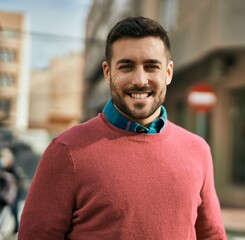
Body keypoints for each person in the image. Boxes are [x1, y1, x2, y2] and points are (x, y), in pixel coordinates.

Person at [18, 16, 227, 239]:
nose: (140, 79)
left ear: (168, 73)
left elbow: (211, 235)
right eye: (126, 66)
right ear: (108, 73)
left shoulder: (198, 150)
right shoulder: (66, 151)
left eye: (151, 66)